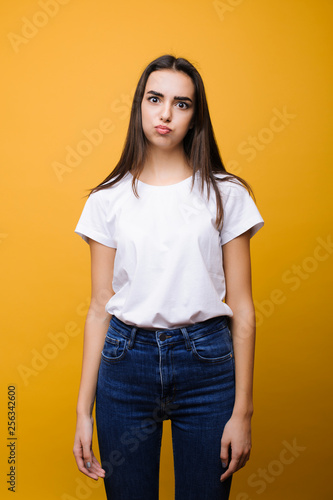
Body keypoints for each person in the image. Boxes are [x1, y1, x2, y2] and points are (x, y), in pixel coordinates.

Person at [73, 54, 264, 500]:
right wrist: (84, 411)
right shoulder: (108, 200)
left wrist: (244, 411)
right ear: (139, 106)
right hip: (125, 365)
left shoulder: (226, 194)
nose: (165, 114)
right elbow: (101, 303)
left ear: (195, 116)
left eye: (182, 104)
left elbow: (243, 307)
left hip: (208, 367)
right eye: (155, 99)